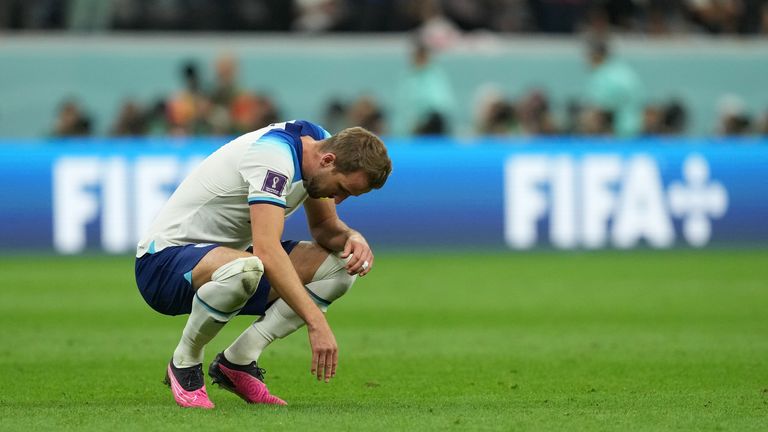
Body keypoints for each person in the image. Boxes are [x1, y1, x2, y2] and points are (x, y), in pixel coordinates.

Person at [134, 120, 392, 408]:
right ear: (328, 160)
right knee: (248, 268)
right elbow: (267, 251)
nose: (339, 199)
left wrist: (352, 237)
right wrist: (316, 323)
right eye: (342, 188)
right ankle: (185, 362)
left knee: (341, 267)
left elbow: (325, 226)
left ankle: (238, 362)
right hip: (163, 265)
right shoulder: (274, 157)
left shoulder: (321, 146)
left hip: (232, 263)